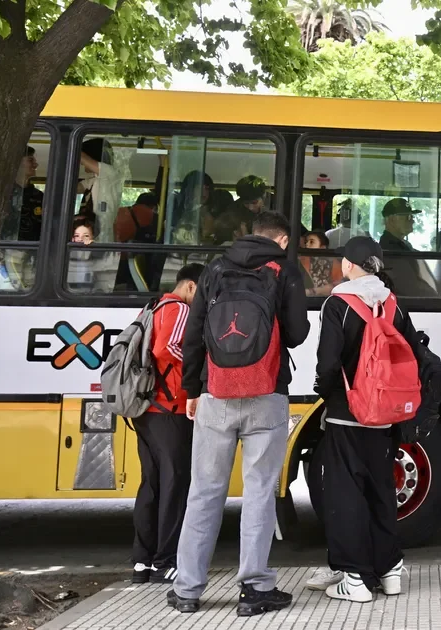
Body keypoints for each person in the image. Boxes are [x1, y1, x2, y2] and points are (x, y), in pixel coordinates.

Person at [169, 210, 310, 617]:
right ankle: (255, 589)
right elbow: (298, 335)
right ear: (282, 240)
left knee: (205, 491)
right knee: (259, 492)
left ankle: (187, 589)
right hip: (266, 394)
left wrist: (192, 390)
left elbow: (193, 335)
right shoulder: (285, 270)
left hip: (216, 394)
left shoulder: (215, 268)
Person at [305, 235, 415, 602]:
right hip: (386, 415)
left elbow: (327, 363)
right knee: (381, 490)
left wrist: (328, 394)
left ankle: (353, 578)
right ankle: (389, 570)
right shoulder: (394, 304)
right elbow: (412, 354)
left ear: (349, 265)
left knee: (345, 492)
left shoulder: (338, 303)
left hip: (347, 413)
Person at [131, 263, 203, 585]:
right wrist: (201, 363)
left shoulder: (153, 307)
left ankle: (141, 562)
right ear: (190, 286)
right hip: (169, 410)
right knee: (175, 487)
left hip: (148, 411)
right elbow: (167, 348)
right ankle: (165, 562)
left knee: (152, 486)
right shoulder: (179, 310)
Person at [79, 138, 125, 243]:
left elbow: (81, 156)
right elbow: (76, 188)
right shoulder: (94, 180)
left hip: (101, 238)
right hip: (89, 236)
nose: (82, 164)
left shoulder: (110, 173)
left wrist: (73, 145)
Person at [3, 145, 44, 242]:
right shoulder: (3, 193)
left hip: (32, 251)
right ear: (16, 162)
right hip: (4, 249)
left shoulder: (39, 196)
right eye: (30, 160)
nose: (36, 165)